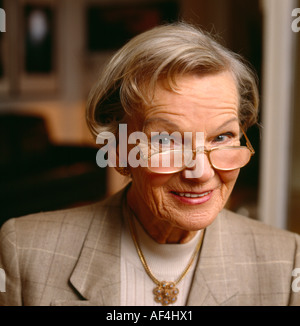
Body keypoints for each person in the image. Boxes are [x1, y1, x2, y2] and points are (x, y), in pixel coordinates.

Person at [0, 22, 300, 306]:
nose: (202, 172)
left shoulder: (287, 261)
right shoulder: (24, 251)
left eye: (222, 136)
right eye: (167, 141)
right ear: (117, 150)